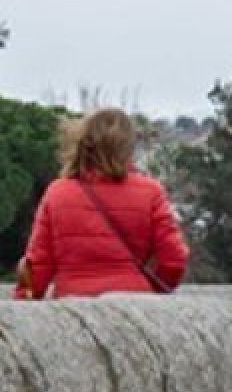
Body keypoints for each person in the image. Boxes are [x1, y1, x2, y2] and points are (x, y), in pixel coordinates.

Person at [14, 106, 189, 300]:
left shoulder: (57, 193)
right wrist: (156, 289)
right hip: (135, 301)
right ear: (127, 148)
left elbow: (37, 264)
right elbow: (175, 259)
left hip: (72, 301)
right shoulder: (151, 192)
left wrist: (24, 299)